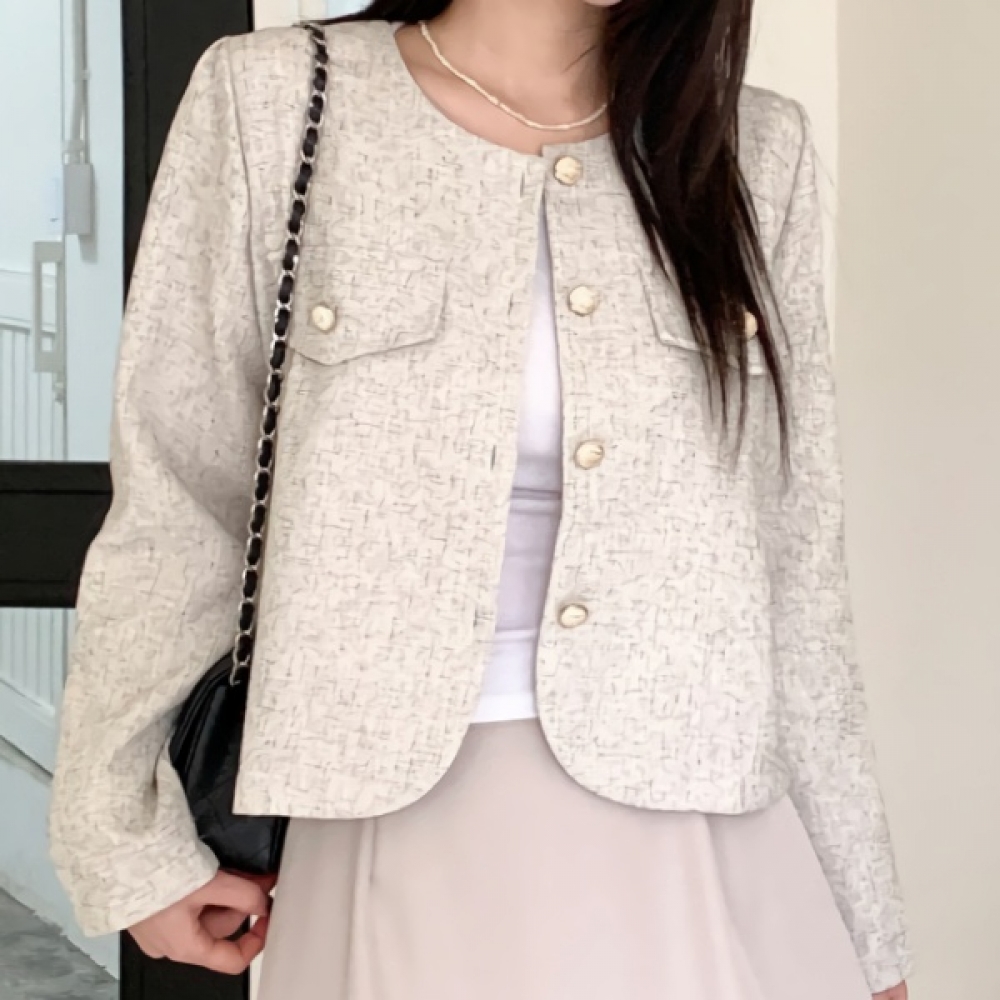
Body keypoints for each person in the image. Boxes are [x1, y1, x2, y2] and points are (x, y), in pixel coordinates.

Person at [48, 2, 913, 999]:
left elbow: (797, 574)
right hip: (397, 815)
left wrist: (868, 934)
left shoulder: (753, 149)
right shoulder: (276, 100)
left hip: (714, 828)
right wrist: (125, 838)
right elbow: (181, 498)